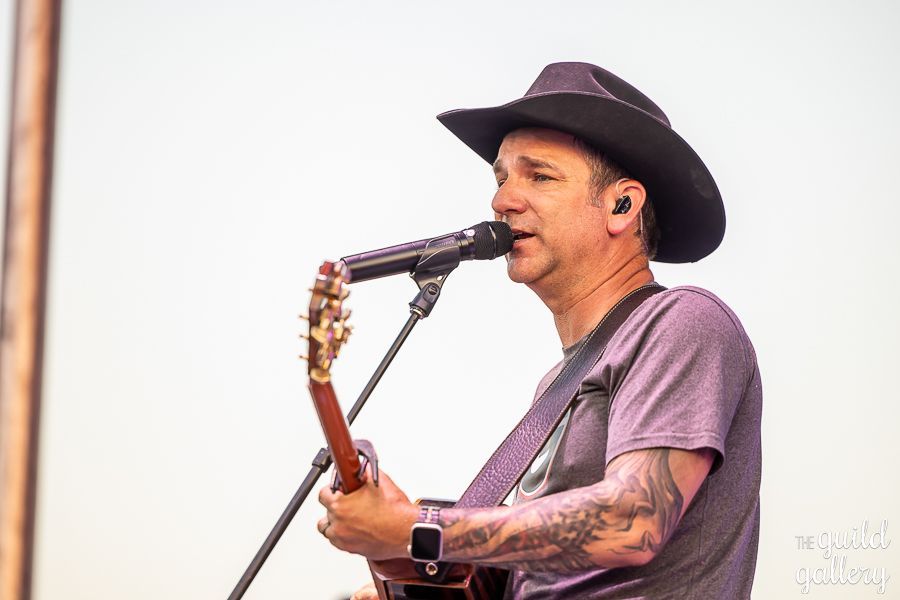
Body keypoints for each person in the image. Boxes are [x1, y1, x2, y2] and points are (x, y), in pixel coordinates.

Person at [317, 62, 762, 599]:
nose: (502, 201)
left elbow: (633, 519)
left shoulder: (684, 321)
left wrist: (418, 529)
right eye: (501, 178)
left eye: (540, 176)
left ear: (622, 205)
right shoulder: (556, 385)